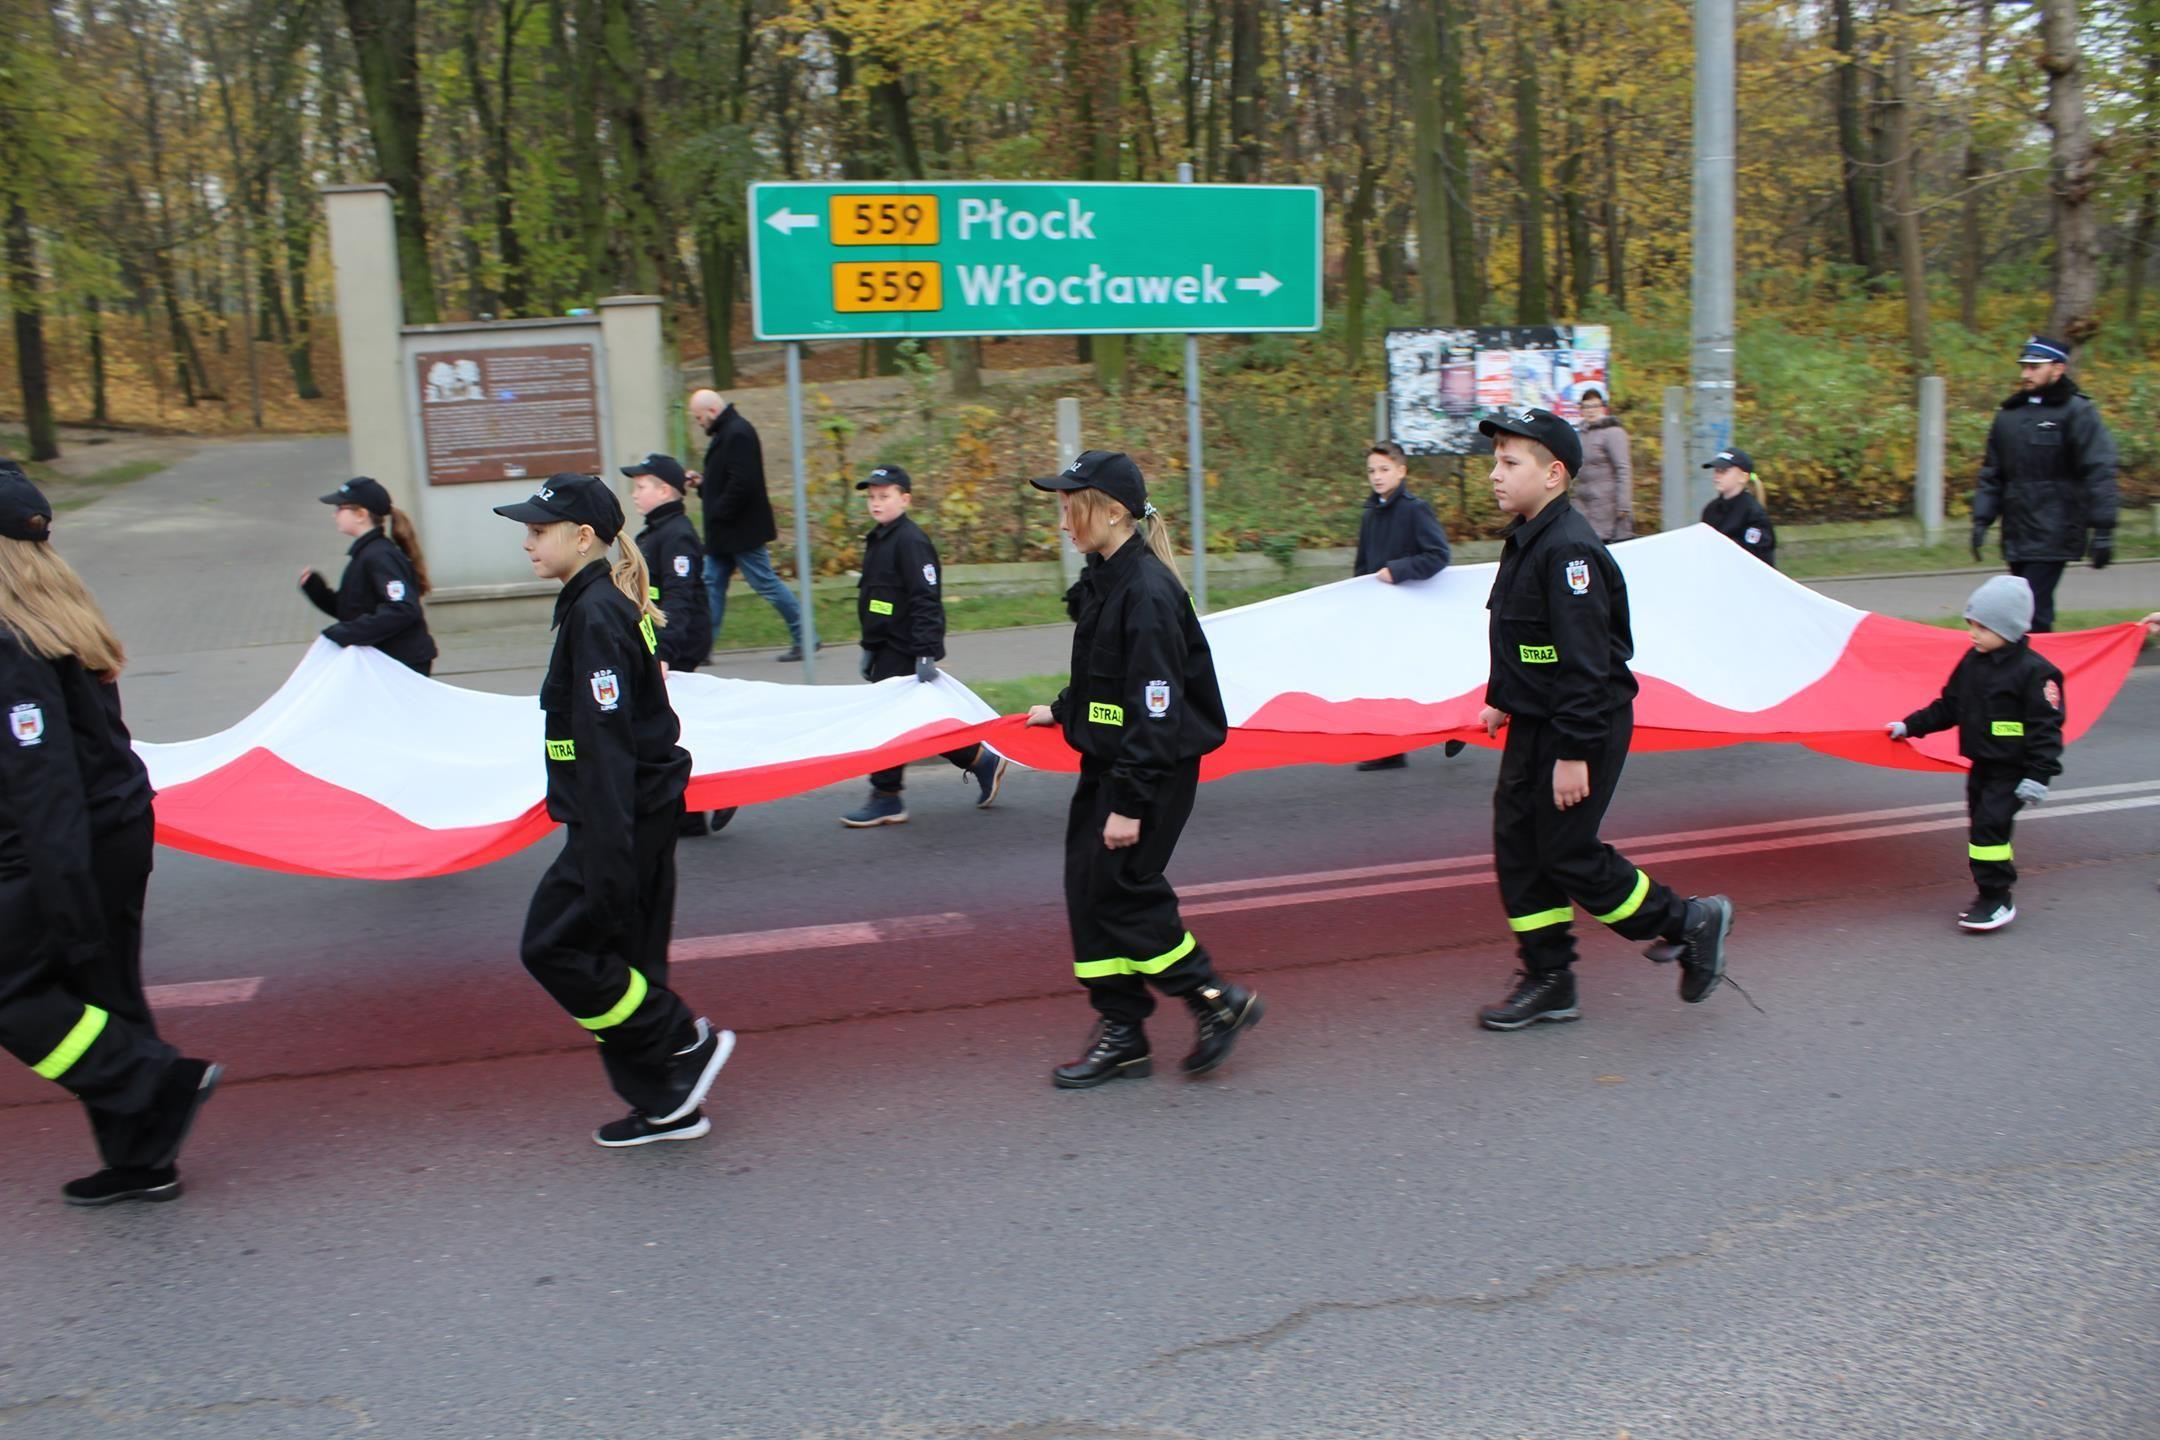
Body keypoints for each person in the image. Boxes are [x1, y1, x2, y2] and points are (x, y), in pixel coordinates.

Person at [0, 463, 220, 1205]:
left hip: (60, 846)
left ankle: (154, 1080)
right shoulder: (59, 612)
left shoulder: (10, 639)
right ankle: (143, 1159)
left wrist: (67, 905)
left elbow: (44, 781)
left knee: (14, 993)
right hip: (116, 828)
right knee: (105, 991)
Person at [1473, 408, 1734, 1031]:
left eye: (1511, 463)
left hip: (1580, 724)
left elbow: (1587, 664)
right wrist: (1502, 696)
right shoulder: (1527, 537)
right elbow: (1525, 641)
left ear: (1555, 475)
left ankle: (1689, 922)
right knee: (1518, 845)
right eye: (1495, 461)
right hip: (1539, 717)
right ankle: (1549, 978)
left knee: (1566, 853)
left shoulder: (1570, 553)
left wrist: (1573, 753)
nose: (1494, 475)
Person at [492, 474, 734, 1147]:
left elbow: (604, 749)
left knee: (552, 945)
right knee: (623, 961)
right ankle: (667, 1104)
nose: (527, 542)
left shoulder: (596, 613)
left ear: (583, 537)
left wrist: (606, 852)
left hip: (621, 819)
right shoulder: (596, 604)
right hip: (635, 814)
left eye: (539, 531)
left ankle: (680, 1037)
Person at [1024, 450, 1264, 1088]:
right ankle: (1123, 1032)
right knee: (1088, 889)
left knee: (1124, 894)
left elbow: (1155, 710)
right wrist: (1061, 709)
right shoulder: (1107, 576)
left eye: (1070, 502)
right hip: (1111, 762)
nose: (1062, 514)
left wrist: (1129, 803)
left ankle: (1215, 1000)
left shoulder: (1150, 591)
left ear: (1110, 510)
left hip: (1147, 770)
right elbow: (1105, 678)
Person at [1886, 575, 2064, 933]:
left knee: (1988, 830)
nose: (1973, 633)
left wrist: (2038, 776)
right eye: (1971, 624)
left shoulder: (2036, 673)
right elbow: (1949, 706)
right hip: (1982, 765)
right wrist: (1910, 725)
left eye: (1983, 627)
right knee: (1986, 829)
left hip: (2014, 769)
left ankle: (1995, 898)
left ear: (2009, 629)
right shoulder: (1972, 662)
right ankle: (1996, 883)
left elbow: (2046, 729)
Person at [841, 464, 1006, 827]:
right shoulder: (879, 538)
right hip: (884, 646)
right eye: (871, 497)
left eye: (884, 496)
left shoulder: (911, 541)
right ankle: (981, 759)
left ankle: (886, 797)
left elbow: (926, 599)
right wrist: (869, 646)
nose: (876, 503)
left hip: (905, 648)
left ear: (905, 499)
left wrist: (926, 652)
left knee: (887, 724)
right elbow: (876, 597)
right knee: (918, 723)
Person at [1971, 335, 2119, 634]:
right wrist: (1982, 519)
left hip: (2056, 527)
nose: (2026, 374)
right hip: (2017, 530)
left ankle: (2037, 677)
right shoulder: (2008, 415)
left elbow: (2099, 469)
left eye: (2035, 367)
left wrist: (2103, 529)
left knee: (2032, 613)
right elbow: (1993, 472)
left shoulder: (2077, 411)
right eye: (2024, 367)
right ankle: (2029, 675)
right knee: (2023, 612)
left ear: (2058, 368)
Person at [624, 453, 734, 838]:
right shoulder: (655, 531)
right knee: (677, 727)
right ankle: (687, 810)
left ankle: (721, 789)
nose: (634, 493)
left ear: (665, 490)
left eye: (641, 486)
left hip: (678, 646)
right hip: (661, 643)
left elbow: (680, 597)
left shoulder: (677, 534)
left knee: (679, 726)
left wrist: (666, 653)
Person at [1353, 441, 1454, 773]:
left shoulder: (1415, 509)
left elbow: (1438, 555)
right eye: (1371, 471)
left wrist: (1398, 570)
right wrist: (1358, 596)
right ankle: (1392, 748)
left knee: (1425, 676)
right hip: (1381, 613)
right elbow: (1363, 564)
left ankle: (1457, 723)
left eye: (1384, 469)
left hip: (1412, 610)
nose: (1377, 477)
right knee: (1386, 679)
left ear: (1401, 471)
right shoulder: (1370, 513)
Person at [687, 388, 809, 661]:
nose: (699, 423)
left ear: (713, 411)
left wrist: (718, 510)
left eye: (699, 418)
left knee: (765, 583)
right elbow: (727, 479)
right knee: (711, 584)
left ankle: (807, 636)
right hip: (726, 532)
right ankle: (701, 648)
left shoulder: (738, 433)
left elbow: (743, 483)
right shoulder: (728, 432)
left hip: (740, 531)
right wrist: (704, 483)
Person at [299, 476, 439, 673]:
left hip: (400, 662)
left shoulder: (380, 556)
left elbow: (402, 609)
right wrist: (317, 590)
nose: (334, 515)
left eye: (340, 508)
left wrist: (344, 633)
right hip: (382, 660)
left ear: (360, 514)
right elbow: (354, 611)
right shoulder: (366, 554)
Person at [1573, 388, 1634, 543]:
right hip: (1584, 506)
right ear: (1581, 410)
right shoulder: (1580, 434)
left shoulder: (1613, 432)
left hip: (1609, 507)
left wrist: (1623, 505)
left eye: (1595, 406)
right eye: (1587, 407)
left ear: (1602, 407)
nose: (1591, 411)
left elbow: (1623, 469)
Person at [1700, 448, 1776, 568]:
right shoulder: (1711, 509)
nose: (1717, 475)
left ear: (1743, 477)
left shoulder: (1754, 513)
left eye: (1723, 470)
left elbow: (1755, 556)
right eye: (1716, 470)